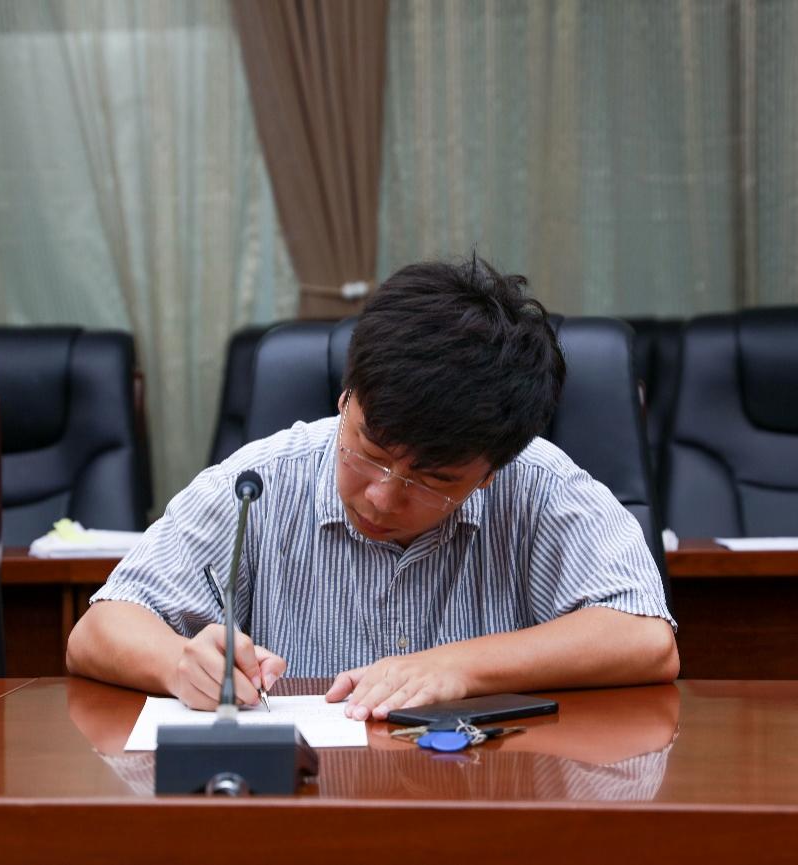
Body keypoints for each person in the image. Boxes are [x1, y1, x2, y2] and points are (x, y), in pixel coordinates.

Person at [66, 257, 678, 721]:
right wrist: (180, 664)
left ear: (491, 472)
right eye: (370, 452)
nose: (382, 497)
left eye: (433, 480)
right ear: (346, 398)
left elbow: (645, 639)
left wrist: (457, 667)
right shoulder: (264, 480)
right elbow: (99, 630)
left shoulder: (539, 484)